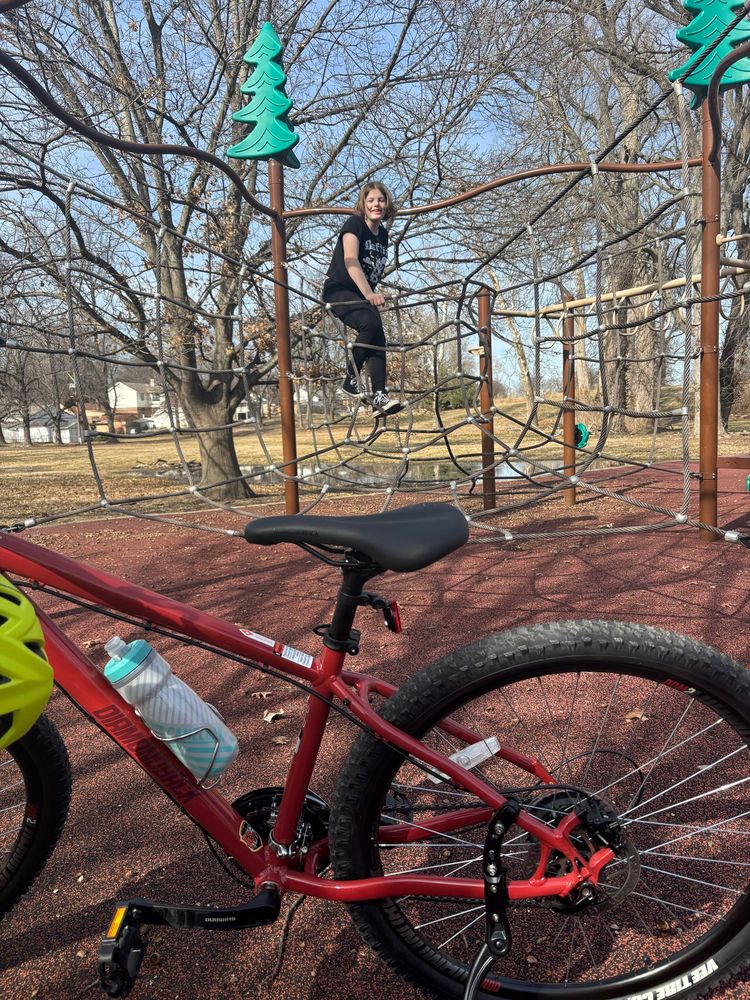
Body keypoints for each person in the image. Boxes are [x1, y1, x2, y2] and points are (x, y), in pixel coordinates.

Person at [322, 181, 403, 415]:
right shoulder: (355, 224)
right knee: (370, 323)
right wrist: (369, 293)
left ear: (387, 204)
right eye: (371, 200)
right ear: (363, 204)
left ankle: (380, 396)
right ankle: (352, 378)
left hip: (361, 295)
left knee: (378, 338)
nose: (376, 204)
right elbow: (351, 260)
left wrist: (369, 293)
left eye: (381, 200)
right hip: (339, 289)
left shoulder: (383, 235)